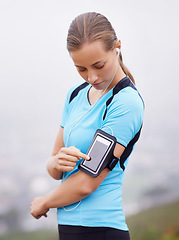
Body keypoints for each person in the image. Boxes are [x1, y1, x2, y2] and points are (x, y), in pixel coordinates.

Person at [30, 12, 144, 240]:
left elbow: (87, 182)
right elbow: (54, 168)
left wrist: (45, 202)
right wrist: (56, 161)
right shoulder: (75, 95)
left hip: (101, 230)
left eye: (98, 65)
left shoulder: (124, 102)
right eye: (81, 69)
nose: (91, 77)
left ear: (117, 47)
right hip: (69, 229)